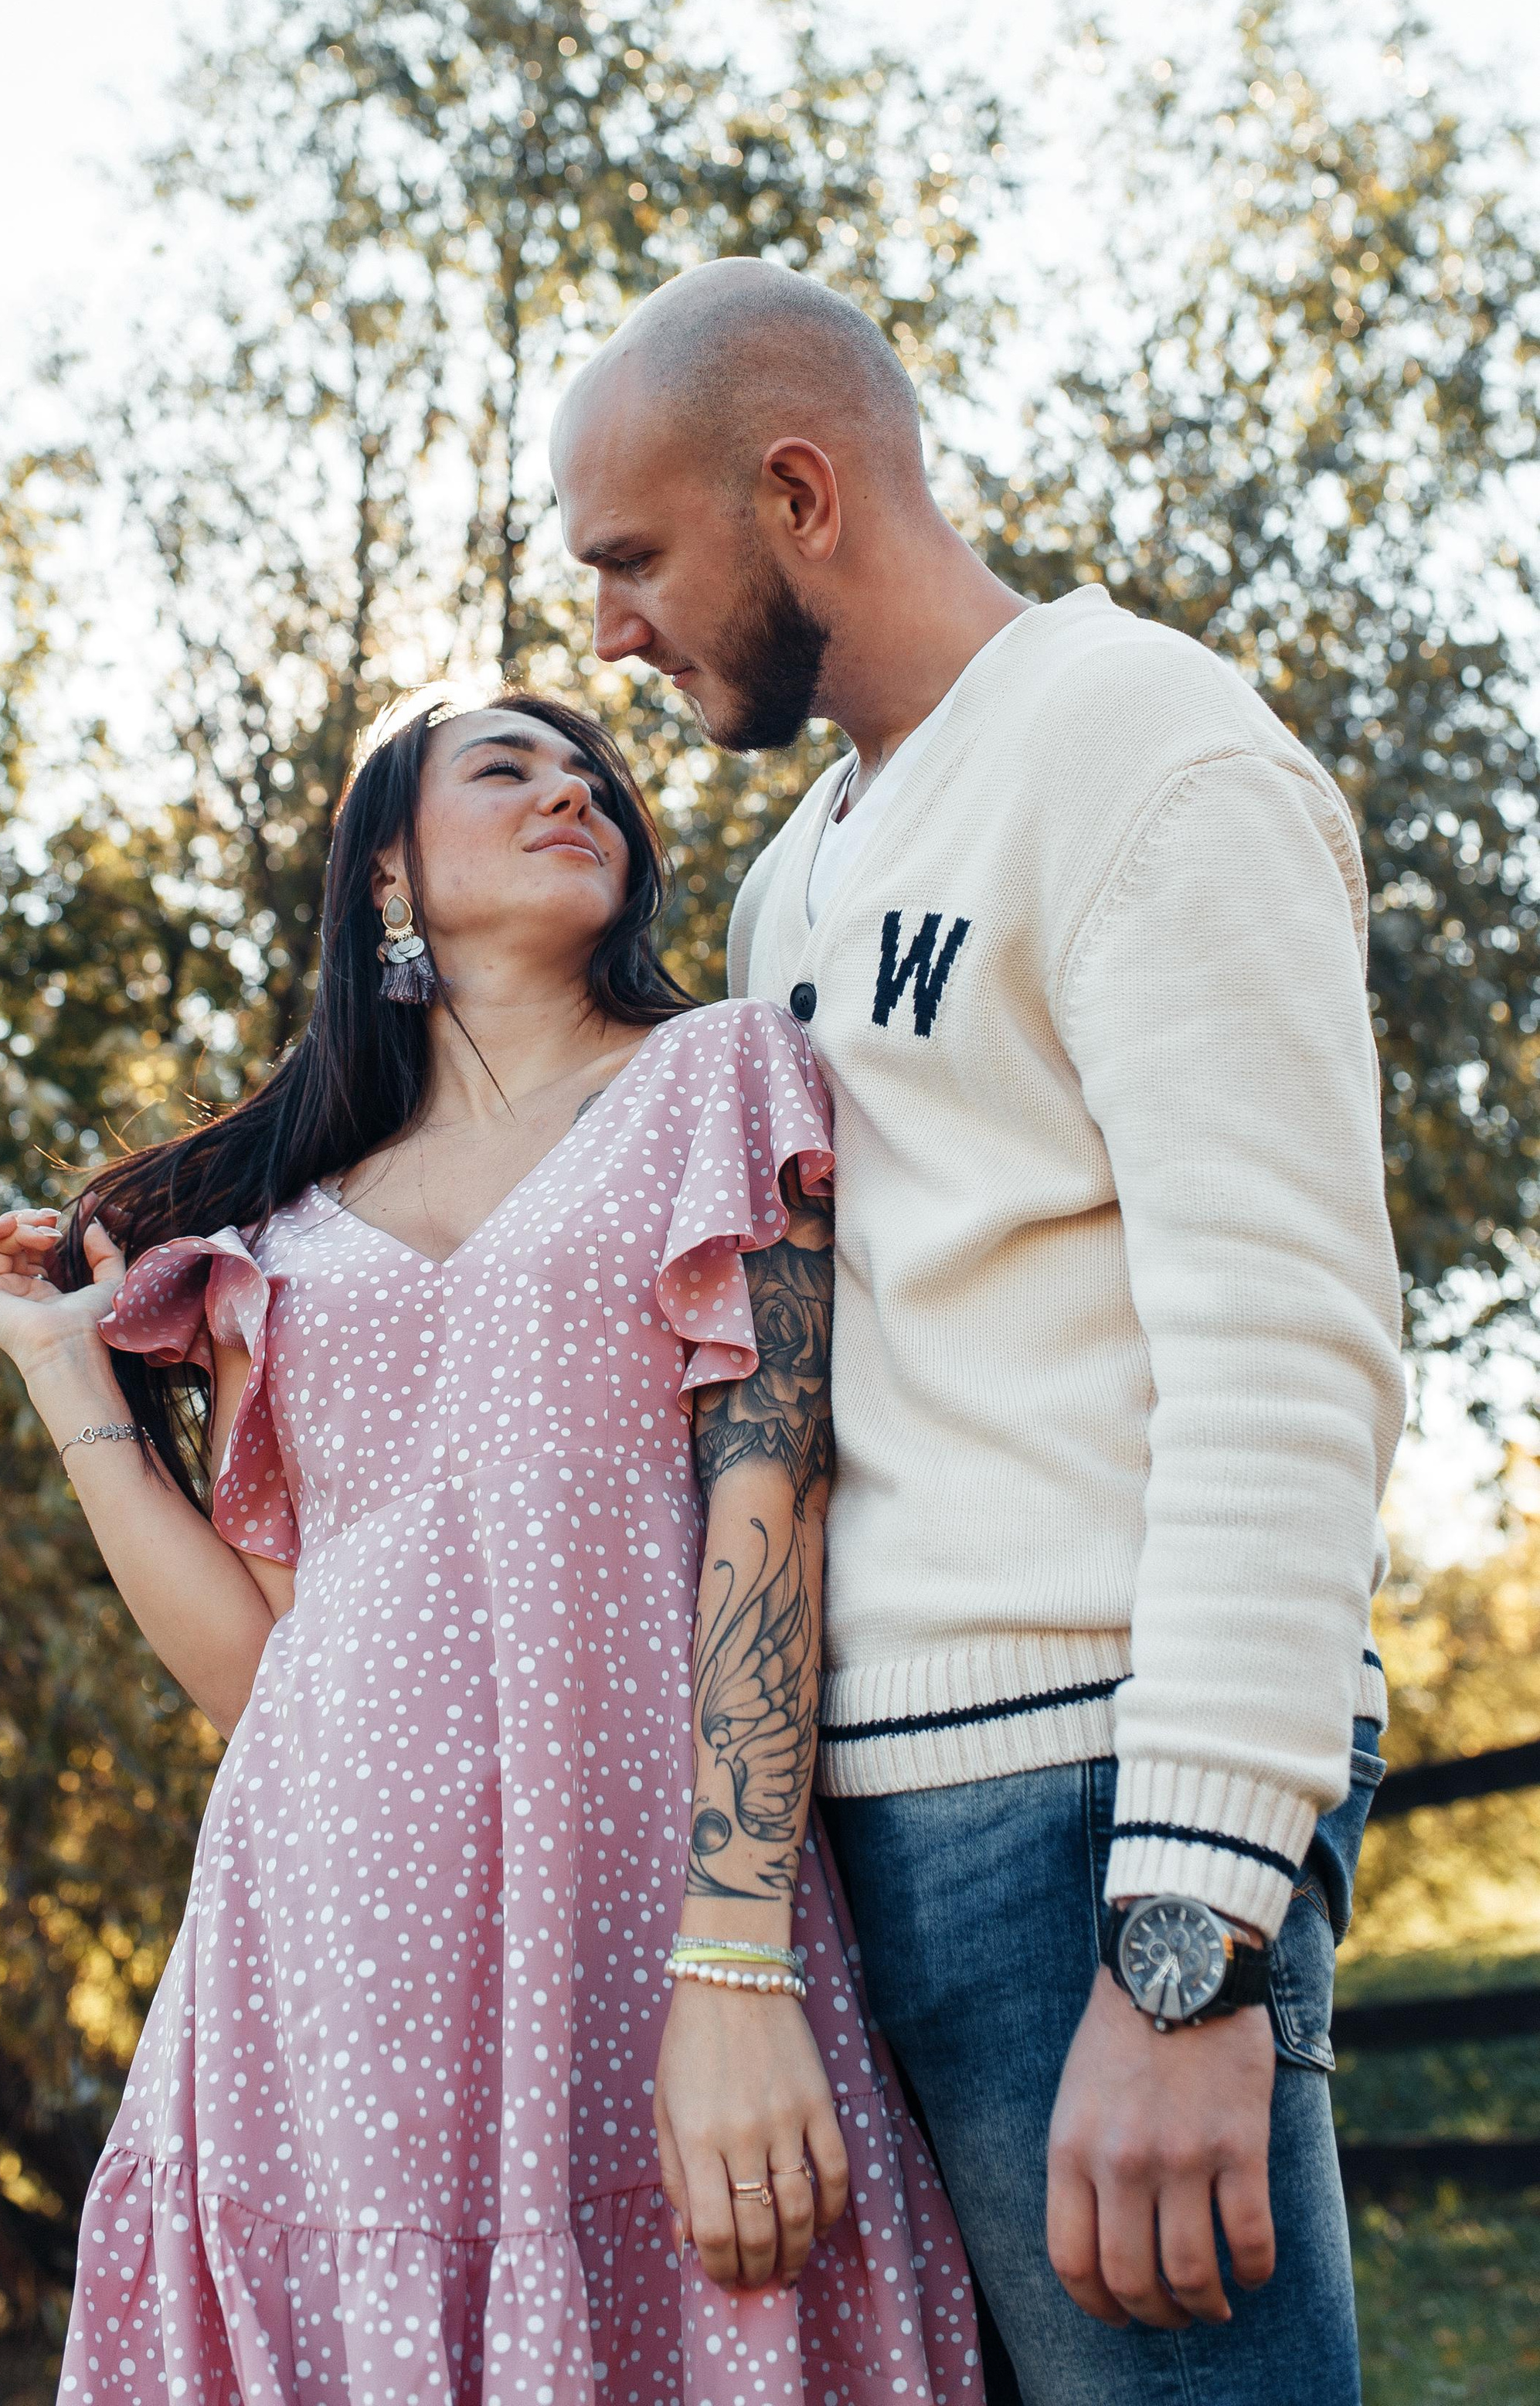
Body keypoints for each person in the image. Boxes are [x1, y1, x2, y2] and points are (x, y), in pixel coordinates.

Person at [553, 260, 1406, 2406]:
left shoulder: (1146, 753)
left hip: (1086, 1809)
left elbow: (1286, 1355)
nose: (611, 635)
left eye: (636, 560)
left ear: (802, 492)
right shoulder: (795, 881)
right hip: (857, 1851)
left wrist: (1188, 1939)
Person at [0, 693, 982, 2406]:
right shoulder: (274, 1232)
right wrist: (67, 1374)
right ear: (385, 875)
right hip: (327, 1936)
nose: (571, 790)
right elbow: (253, 1664)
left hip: (644, 1891)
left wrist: (733, 1955)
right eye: (504, 769)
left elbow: (770, 1494)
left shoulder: (715, 1078)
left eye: (593, 778)